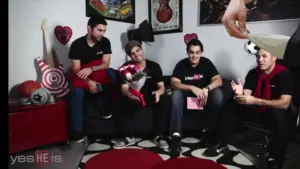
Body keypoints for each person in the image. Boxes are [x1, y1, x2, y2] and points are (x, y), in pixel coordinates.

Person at [203, 48, 296, 168]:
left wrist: (255, 100)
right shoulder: (253, 73)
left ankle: (275, 157)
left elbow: (285, 103)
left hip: (275, 111)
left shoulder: (285, 75)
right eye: (258, 57)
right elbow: (246, 96)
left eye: (264, 56)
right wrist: (239, 94)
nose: (260, 60)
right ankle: (221, 143)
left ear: (274, 57)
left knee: (280, 115)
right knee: (232, 103)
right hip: (256, 109)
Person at [169, 39, 223, 155]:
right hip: (186, 99)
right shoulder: (181, 64)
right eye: (191, 52)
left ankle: (210, 132)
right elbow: (174, 83)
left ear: (201, 52)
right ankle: (176, 136)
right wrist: (191, 87)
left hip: (203, 99)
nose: (194, 56)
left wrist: (206, 88)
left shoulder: (206, 63)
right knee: (176, 94)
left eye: (197, 52)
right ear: (187, 52)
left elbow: (218, 80)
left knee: (218, 94)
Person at [112, 40, 170, 149]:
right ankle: (129, 137)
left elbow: (161, 87)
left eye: (138, 50)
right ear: (130, 56)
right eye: (133, 53)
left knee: (165, 98)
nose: (137, 55)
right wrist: (129, 94)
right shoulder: (125, 68)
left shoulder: (154, 66)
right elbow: (124, 89)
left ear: (142, 49)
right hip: (134, 97)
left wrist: (158, 93)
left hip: (151, 96)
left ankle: (158, 136)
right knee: (122, 99)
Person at [68, 16, 115, 142]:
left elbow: (106, 63)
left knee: (112, 74)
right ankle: (77, 132)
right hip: (81, 74)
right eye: (99, 30)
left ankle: (105, 107)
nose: (102, 33)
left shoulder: (105, 42)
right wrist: (89, 81)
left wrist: (91, 69)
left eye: (104, 30)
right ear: (89, 28)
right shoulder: (77, 44)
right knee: (77, 92)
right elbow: (76, 69)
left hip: (96, 70)